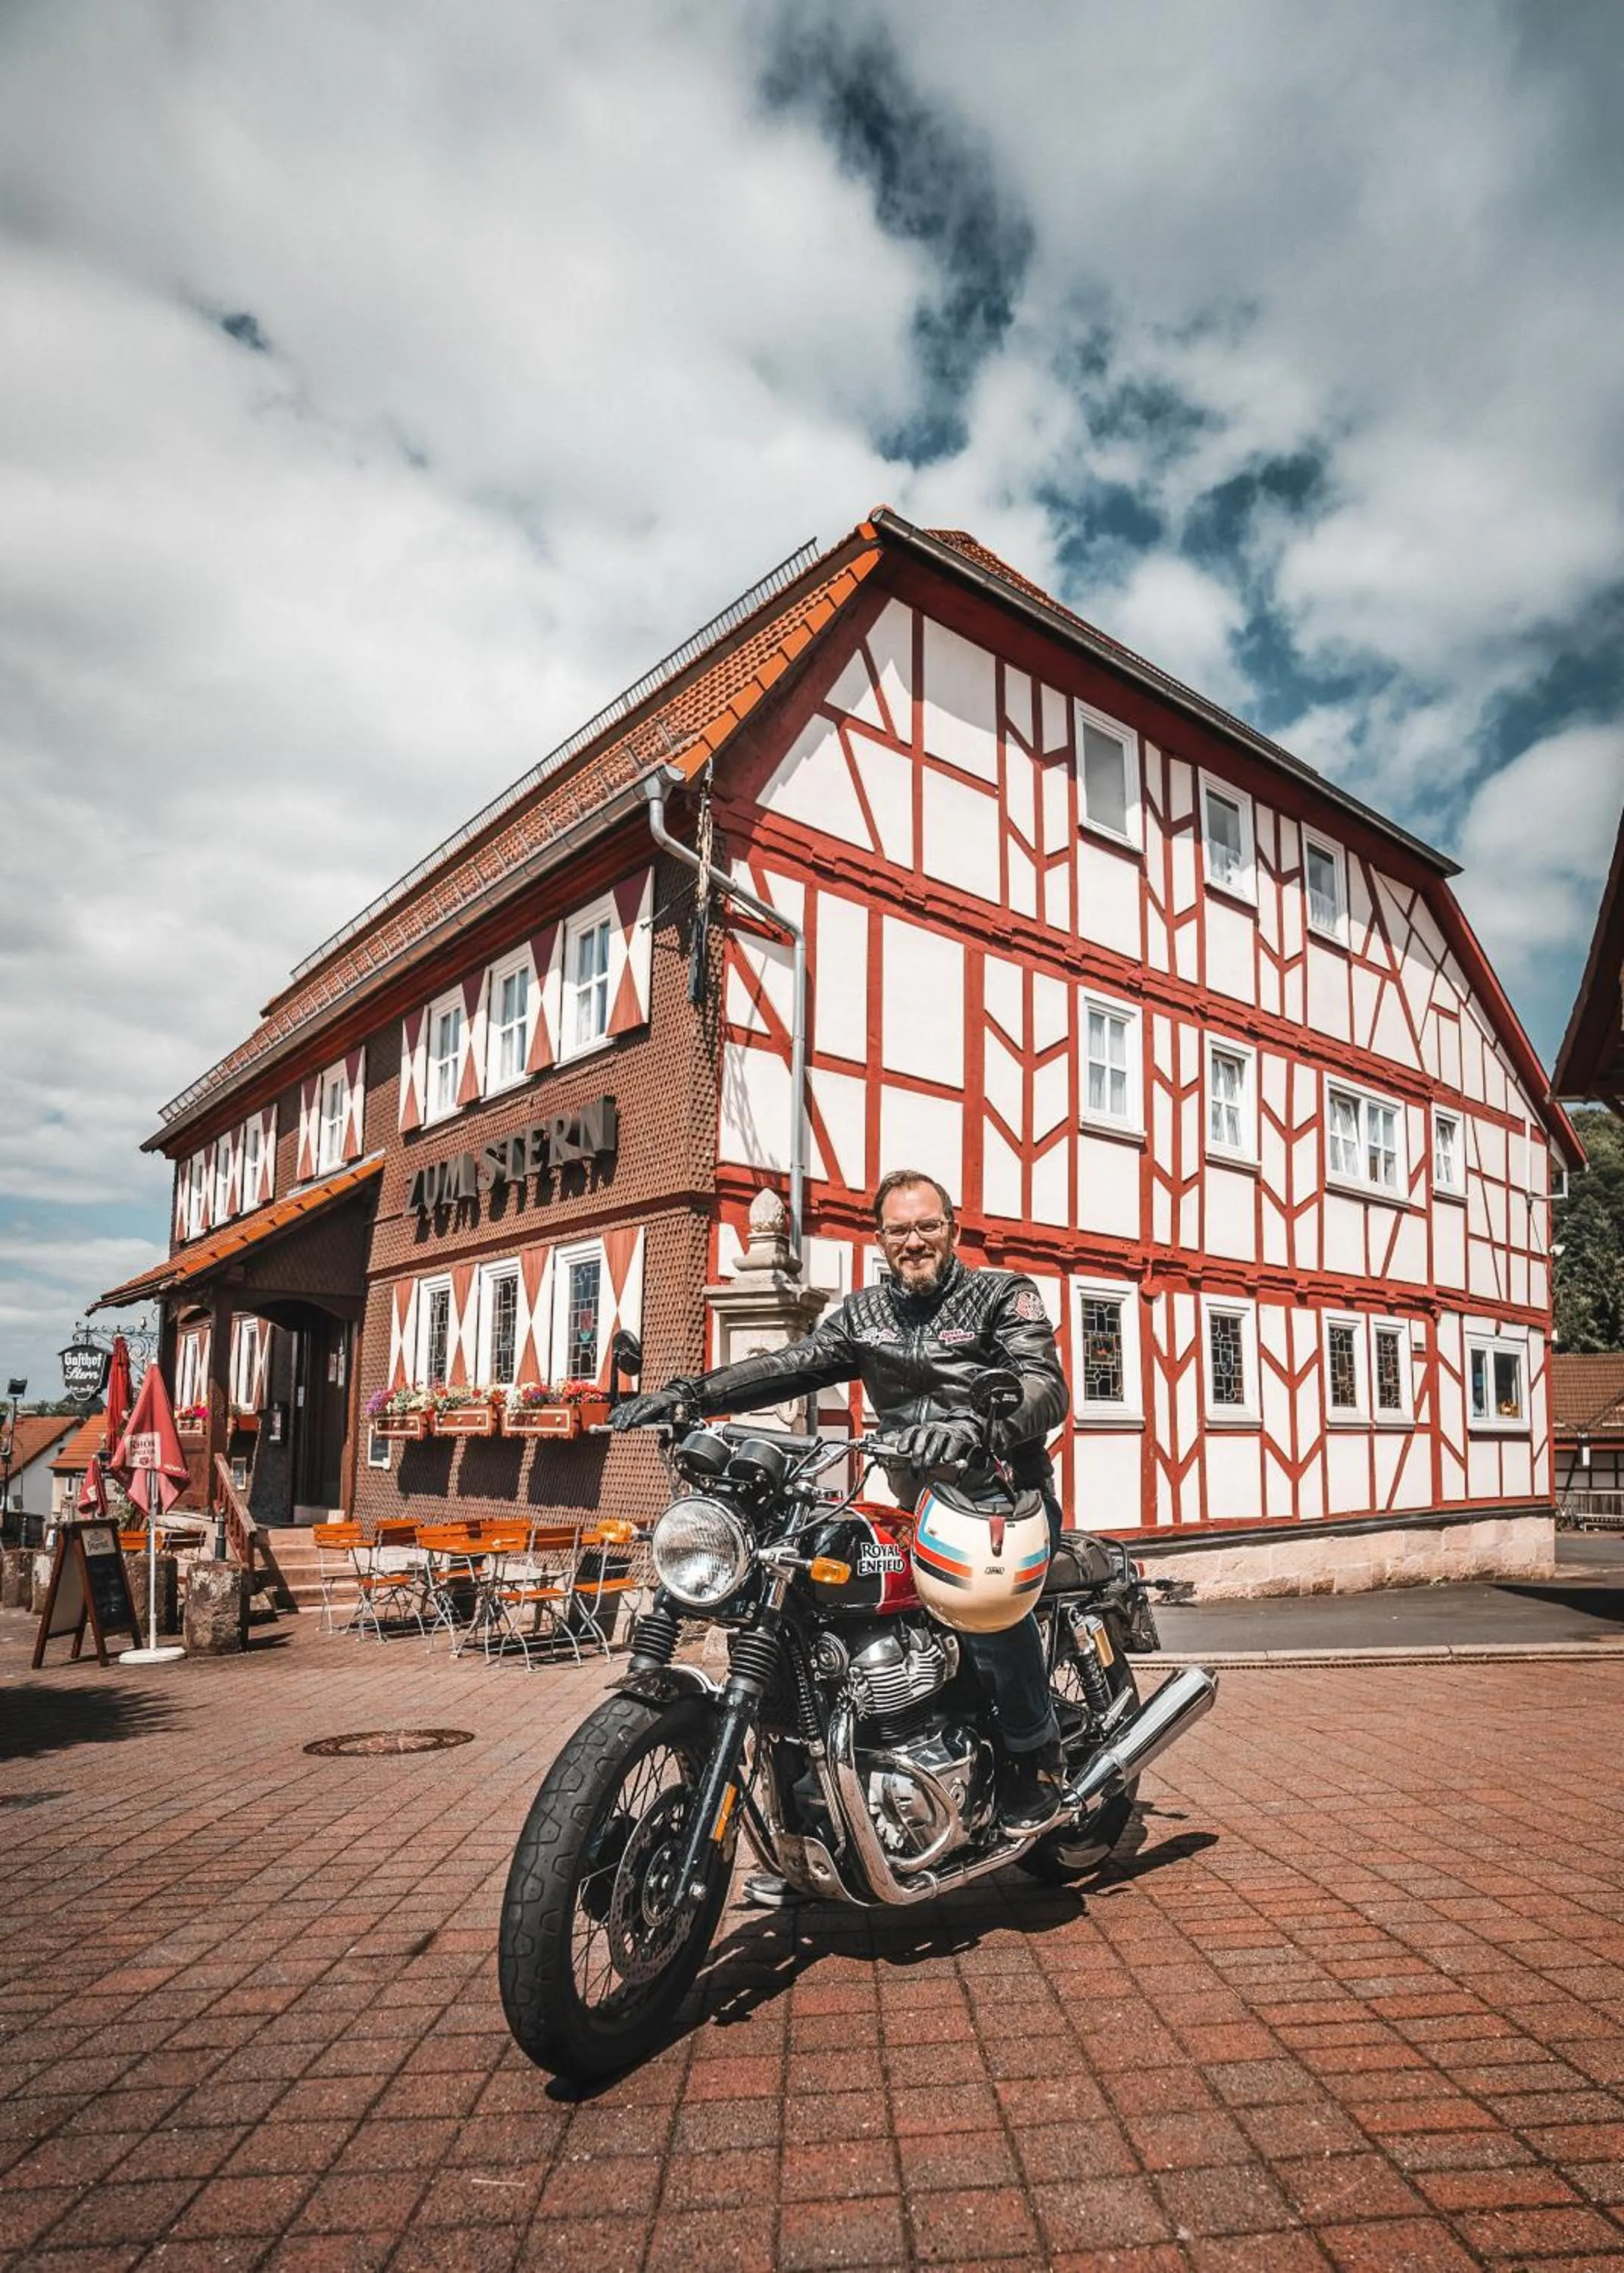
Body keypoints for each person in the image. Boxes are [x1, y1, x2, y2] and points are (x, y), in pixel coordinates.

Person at [612, 1168, 1070, 1836]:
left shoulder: (1003, 1295)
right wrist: (692, 1395)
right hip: (917, 1507)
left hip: (1000, 1501)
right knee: (807, 1603)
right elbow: (788, 1364)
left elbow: (1043, 1385)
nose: (914, 1241)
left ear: (953, 1229)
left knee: (984, 1597)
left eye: (927, 1226)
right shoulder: (864, 1315)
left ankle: (1035, 1756)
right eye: (899, 1230)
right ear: (880, 1238)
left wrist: (973, 1428)